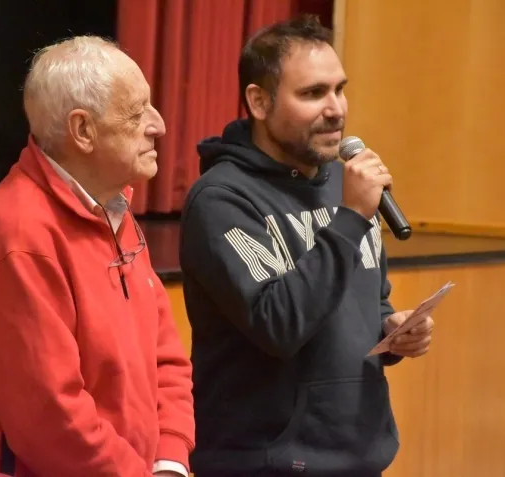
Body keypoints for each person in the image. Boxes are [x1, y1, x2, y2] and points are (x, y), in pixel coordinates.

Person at [179, 15, 435, 477]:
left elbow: (366, 301)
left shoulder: (345, 184)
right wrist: (351, 218)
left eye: (339, 89)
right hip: (264, 463)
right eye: (314, 93)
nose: (336, 109)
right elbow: (278, 325)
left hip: (357, 455)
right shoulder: (221, 200)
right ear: (259, 101)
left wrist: (390, 329)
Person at [0, 36, 195, 477]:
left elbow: (166, 359)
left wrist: (169, 461)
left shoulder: (114, 211)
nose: (158, 124)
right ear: (82, 131)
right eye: (137, 112)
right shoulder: (17, 237)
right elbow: (51, 421)